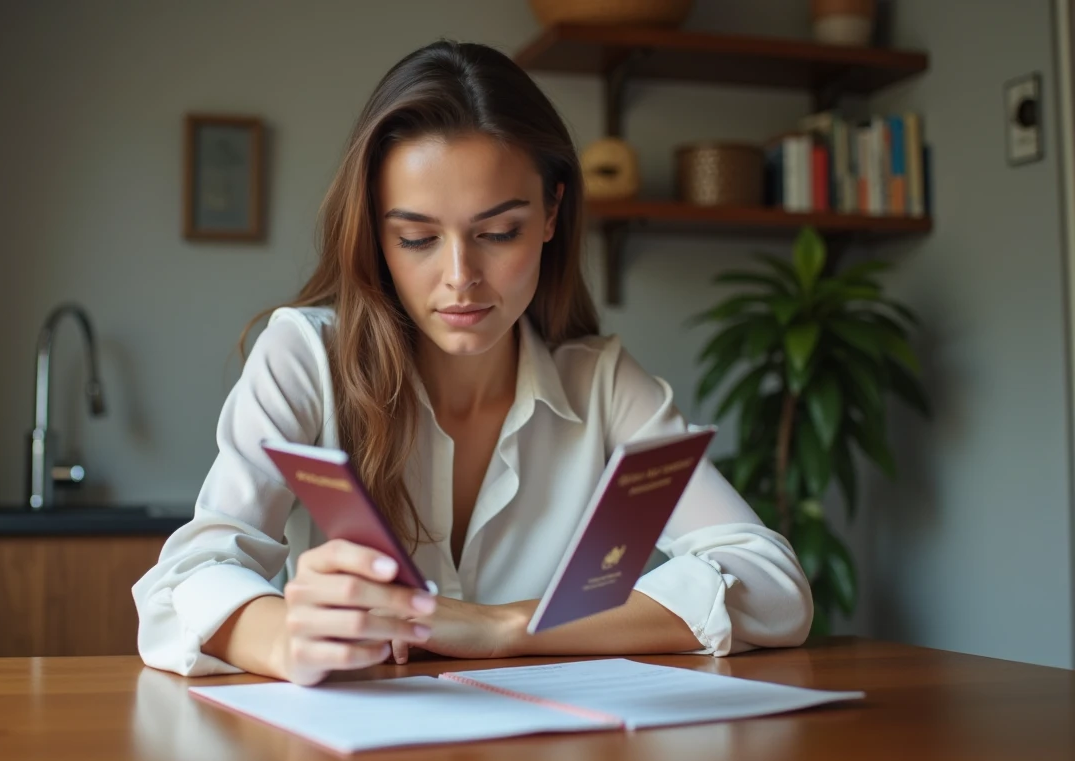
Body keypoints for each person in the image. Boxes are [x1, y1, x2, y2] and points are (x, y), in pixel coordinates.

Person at [133, 39, 812, 686]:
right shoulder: (306, 358)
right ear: (376, 234)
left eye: (498, 232)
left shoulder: (602, 385)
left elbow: (773, 584)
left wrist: (504, 628)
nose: (460, 277)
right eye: (416, 238)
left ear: (551, 213)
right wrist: (287, 636)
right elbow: (181, 584)